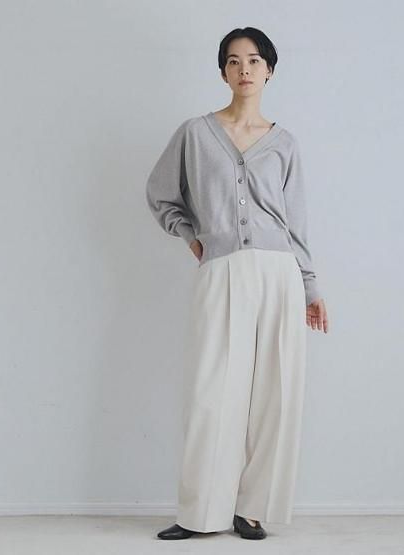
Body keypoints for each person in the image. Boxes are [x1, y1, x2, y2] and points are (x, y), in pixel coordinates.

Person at [146, 26, 329, 540]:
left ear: (269, 70)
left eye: (253, 60)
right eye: (233, 60)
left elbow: (296, 224)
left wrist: (311, 287)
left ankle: (252, 509)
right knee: (212, 392)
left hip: (279, 274)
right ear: (223, 71)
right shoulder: (195, 134)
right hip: (222, 269)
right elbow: (161, 194)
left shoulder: (285, 143)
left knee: (277, 393)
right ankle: (199, 513)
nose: (243, 69)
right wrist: (192, 238)